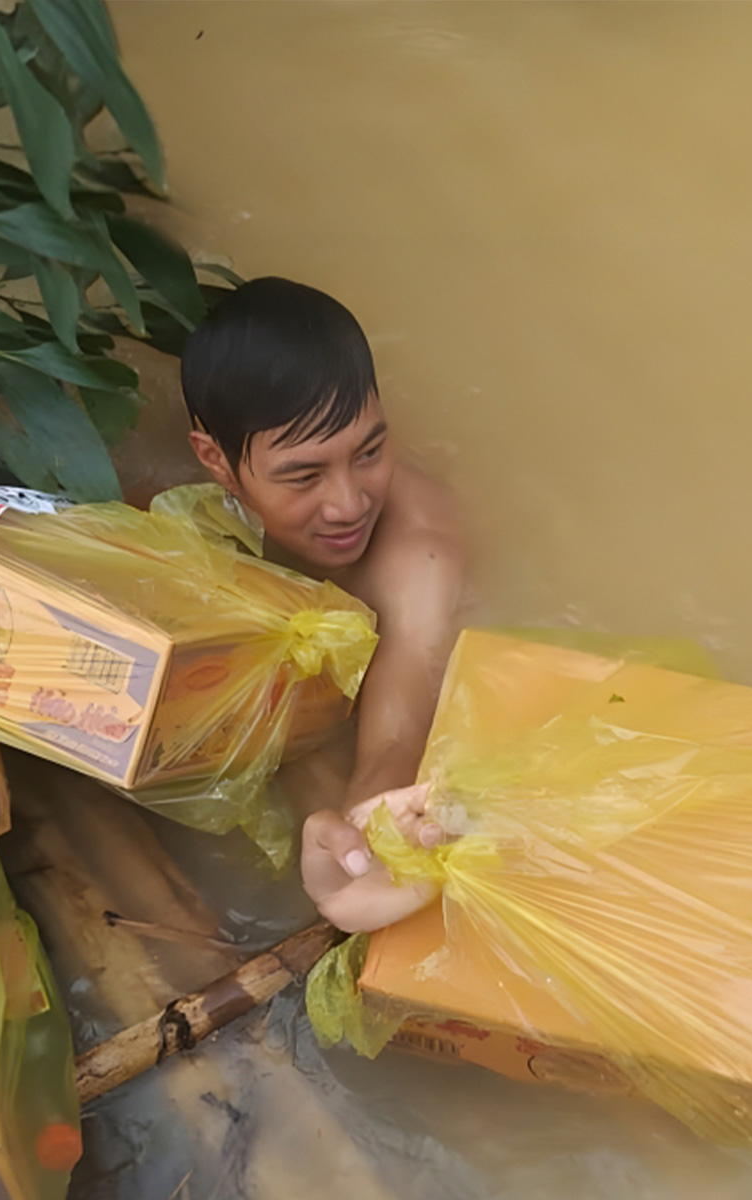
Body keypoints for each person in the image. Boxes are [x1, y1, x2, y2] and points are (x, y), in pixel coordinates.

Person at [180, 277, 467, 932]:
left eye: (370, 452)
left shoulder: (417, 551)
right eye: (304, 476)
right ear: (214, 462)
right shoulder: (180, 497)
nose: (349, 503)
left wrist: (371, 834)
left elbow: (401, 710)